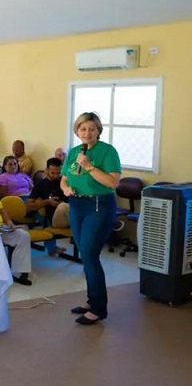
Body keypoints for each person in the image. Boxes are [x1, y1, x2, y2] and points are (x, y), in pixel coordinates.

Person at [60, 112, 121, 325]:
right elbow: (64, 179)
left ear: (98, 131)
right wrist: (66, 188)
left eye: (92, 129)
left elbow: (112, 182)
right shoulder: (74, 152)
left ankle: (98, 308)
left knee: (89, 253)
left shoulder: (108, 151)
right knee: (85, 254)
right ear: (77, 131)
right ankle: (91, 299)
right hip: (77, 205)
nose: (87, 133)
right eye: (83, 129)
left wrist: (89, 167)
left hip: (98, 205)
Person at [27, 157, 68, 256]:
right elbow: (29, 206)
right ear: (46, 170)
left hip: (65, 213)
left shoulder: (63, 183)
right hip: (53, 216)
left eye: (58, 173)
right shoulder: (40, 185)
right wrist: (47, 202)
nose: (56, 176)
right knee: (64, 207)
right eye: (53, 173)